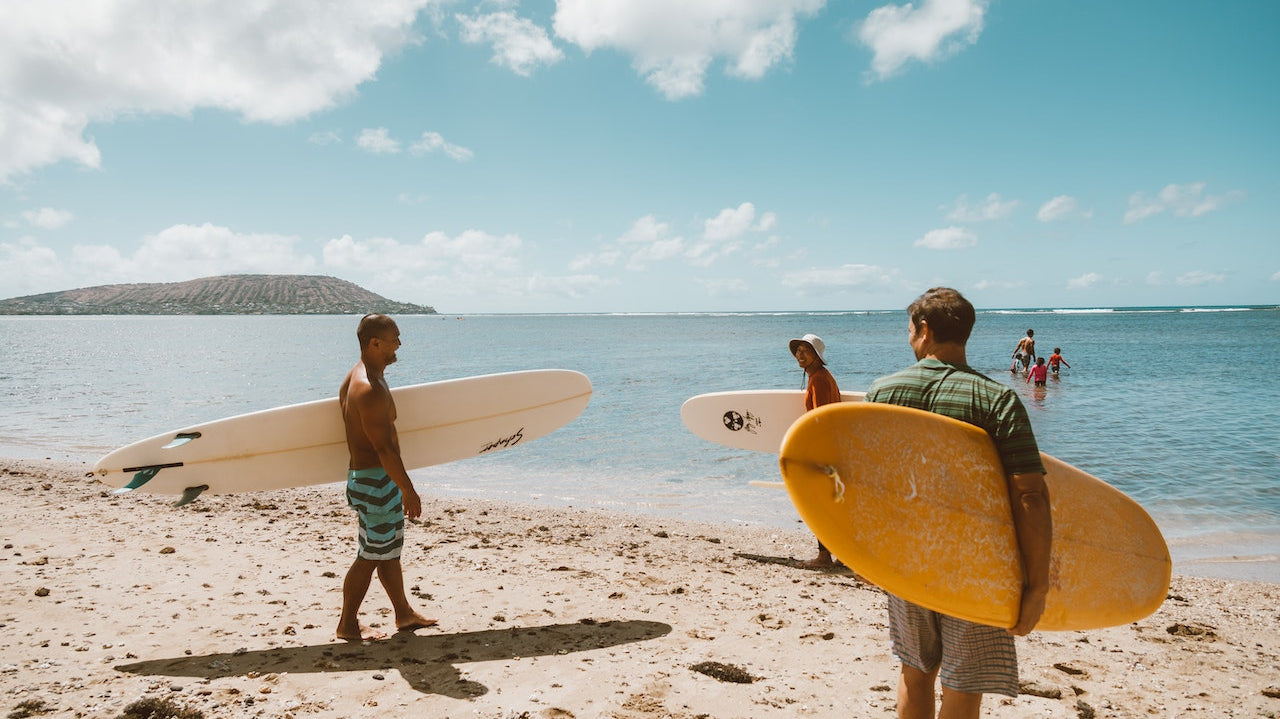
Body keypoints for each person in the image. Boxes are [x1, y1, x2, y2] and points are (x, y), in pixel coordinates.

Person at [865, 288, 1052, 719]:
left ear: (925, 330)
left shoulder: (882, 392)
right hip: (980, 567)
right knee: (964, 688)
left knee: (915, 673)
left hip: (904, 561)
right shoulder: (997, 401)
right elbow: (1030, 495)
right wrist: (1036, 586)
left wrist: (866, 555)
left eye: (910, 329)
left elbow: (867, 487)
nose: (909, 338)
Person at [336, 313, 437, 641]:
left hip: (370, 479)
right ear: (374, 343)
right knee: (369, 556)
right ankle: (347, 625)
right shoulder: (370, 389)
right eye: (394, 338)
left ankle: (404, 614)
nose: (399, 344)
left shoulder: (357, 376)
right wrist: (408, 490)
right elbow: (383, 449)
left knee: (386, 550)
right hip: (377, 482)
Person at [790, 333, 842, 570]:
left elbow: (821, 418)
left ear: (816, 356)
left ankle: (824, 557)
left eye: (805, 350)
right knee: (831, 503)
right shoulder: (819, 377)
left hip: (824, 451)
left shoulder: (820, 379)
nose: (800, 354)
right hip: (830, 449)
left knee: (818, 504)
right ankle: (842, 554)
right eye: (798, 350)